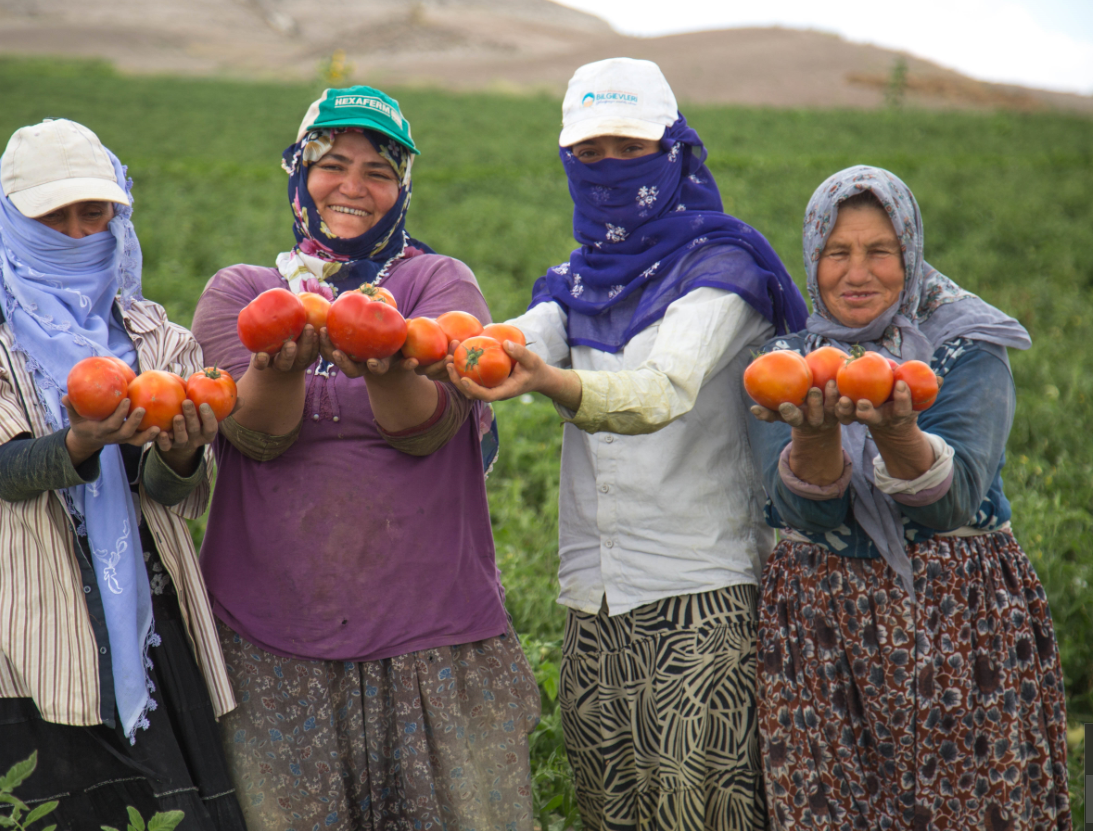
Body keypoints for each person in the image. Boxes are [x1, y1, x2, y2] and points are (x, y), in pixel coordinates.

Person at [447, 58, 808, 830]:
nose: (609, 167)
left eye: (630, 148)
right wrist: (449, 346)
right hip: (593, 595)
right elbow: (524, 333)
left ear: (673, 149)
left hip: (700, 591)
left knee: (697, 810)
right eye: (590, 152)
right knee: (611, 810)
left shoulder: (722, 270)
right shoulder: (580, 278)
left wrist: (549, 382)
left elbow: (661, 391)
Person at [189, 86, 540, 831]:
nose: (353, 186)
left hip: (434, 638)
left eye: (379, 171)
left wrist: (388, 364)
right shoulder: (241, 293)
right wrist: (280, 366)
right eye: (332, 164)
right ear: (298, 172)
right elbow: (259, 435)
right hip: (270, 640)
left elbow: (425, 428)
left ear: (402, 186)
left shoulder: (439, 287)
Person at [0, 118, 243, 829]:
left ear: (117, 214)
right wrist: (79, 441)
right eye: (51, 217)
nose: (75, 232)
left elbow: (167, 493)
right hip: (19, 633)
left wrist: (183, 451)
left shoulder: (160, 338)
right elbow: (3, 469)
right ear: (13, 220)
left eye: (92, 213)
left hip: (146, 628)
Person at [746, 165, 1070, 830]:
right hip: (819, 627)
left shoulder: (966, 345)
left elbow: (951, 503)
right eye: (838, 252)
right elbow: (800, 510)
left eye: (880, 251)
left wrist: (898, 433)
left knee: (965, 806)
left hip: (954, 616)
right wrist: (814, 438)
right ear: (813, 257)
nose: (857, 273)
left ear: (910, 252)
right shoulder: (781, 364)